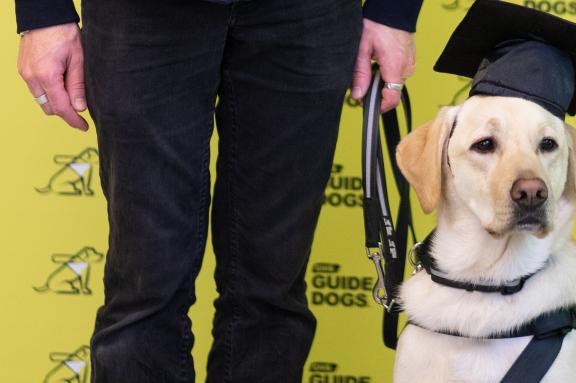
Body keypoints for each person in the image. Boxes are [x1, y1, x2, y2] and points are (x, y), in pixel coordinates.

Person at [15, 0, 422, 381]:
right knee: (145, 291)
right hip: (141, 15)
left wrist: (395, 10)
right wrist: (42, 10)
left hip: (309, 14)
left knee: (270, 293)